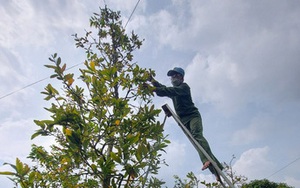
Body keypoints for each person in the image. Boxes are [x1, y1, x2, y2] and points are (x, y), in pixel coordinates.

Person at [149, 67, 223, 181]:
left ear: (181, 77)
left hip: (193, 116)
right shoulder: (173, 90)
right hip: (183, 121)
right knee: (196, 143)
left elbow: (168, 91)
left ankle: (206, 161)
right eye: (172, 76)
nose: (173, 78)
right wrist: (151, 80)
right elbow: (163, 88)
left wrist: (153, 89)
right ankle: (217, 170)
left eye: (175, 75)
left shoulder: (184, 87)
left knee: (197, 135)